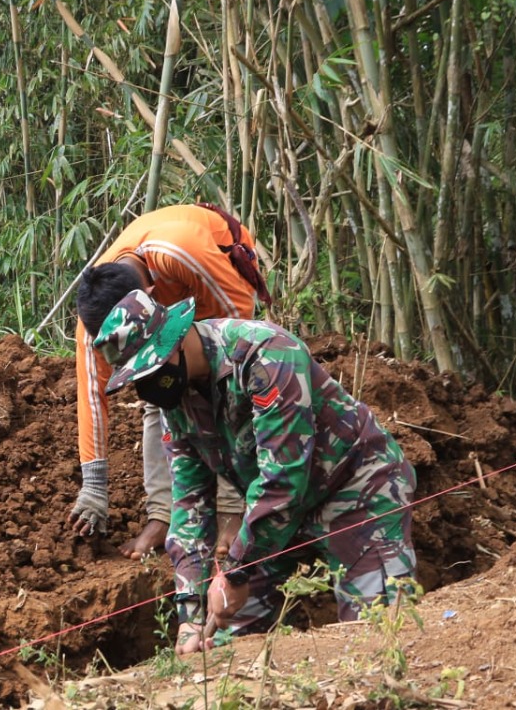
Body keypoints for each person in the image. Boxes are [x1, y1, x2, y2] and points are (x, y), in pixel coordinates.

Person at [92, 288, 416, 655]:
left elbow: (282, 480)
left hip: (357, 488)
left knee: (377, 637)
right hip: (276, 514)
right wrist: (191, 613)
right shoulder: (175, 403)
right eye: (138, 379)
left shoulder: (265, 354)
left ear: (176, 342)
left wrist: (234, 572)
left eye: (151, 370)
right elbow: (190, 501)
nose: (148, 387)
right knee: (227, 641)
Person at [70, 203, 270, 559]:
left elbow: (241, 329)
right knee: (157, 393)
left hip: (216, 274)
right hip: (173, 285)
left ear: (149, 292)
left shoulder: (180, 252)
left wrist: (207, 367)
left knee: (218, 384)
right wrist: (94, 486)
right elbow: (91, 395)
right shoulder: (93, 321)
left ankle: (231, 505)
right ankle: (162, 514)